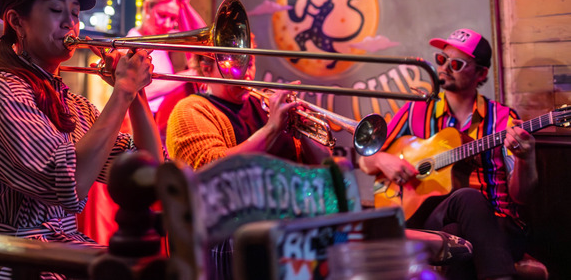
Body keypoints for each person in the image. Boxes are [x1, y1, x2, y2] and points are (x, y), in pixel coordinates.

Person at [0, 0, 164, 279]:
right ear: (17, 21)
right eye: (56, 10)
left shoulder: (70, 103)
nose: (70, 23)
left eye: (76, 14)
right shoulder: (2, 91)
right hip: (9, 258)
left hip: (59, 248)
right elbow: (72, 186)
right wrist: (122, 91)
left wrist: (137, 95)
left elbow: (149, 173)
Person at [358, 28, 537, 280]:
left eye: (456, 63)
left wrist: (525, 159)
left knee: (459, 227)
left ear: (481, 73)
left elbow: (522, 196)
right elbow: (365, 159)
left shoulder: (504, 120)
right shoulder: (416, 111)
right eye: (442, 59)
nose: (444, 67)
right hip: (431, 218)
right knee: (464, 204)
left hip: (499, 225)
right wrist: (381, 159)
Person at [166, 53, 331, 170]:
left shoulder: (266, 103)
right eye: (235, 63)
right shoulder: (190, 109)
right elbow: (211, 169)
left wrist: (305, 132)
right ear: (207, 68)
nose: (246, 73)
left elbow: (325, 166)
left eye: (249, 63)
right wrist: (272, 128)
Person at [127, 0, 206, 114]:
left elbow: (203, 37)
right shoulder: (132, 42)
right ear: (147, 8)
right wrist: (188, 74)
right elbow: (143, 90)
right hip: (144, 119)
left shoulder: (160, 37)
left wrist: (186, 5)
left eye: (173, 18)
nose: (168, 24)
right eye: (162, 15)